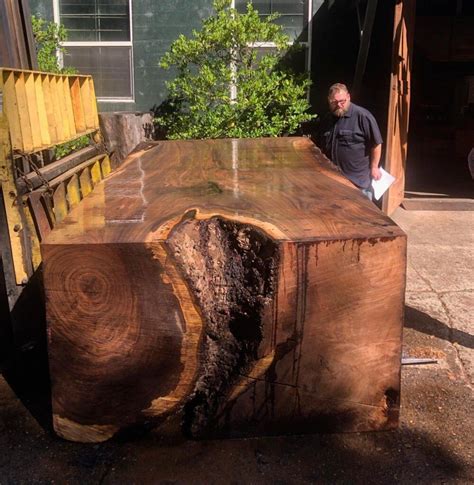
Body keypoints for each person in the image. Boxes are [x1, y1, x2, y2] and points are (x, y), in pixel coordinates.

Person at [318, 83, 383, 200]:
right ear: (329, 100)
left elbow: (376, 143)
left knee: (361, 217)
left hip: (357, 182)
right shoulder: (327, 119)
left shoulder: (363, 116)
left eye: (342, 101)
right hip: (332, 181)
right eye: (334, 102)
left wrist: (374, 167)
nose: (339, 105)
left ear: (348, 97)